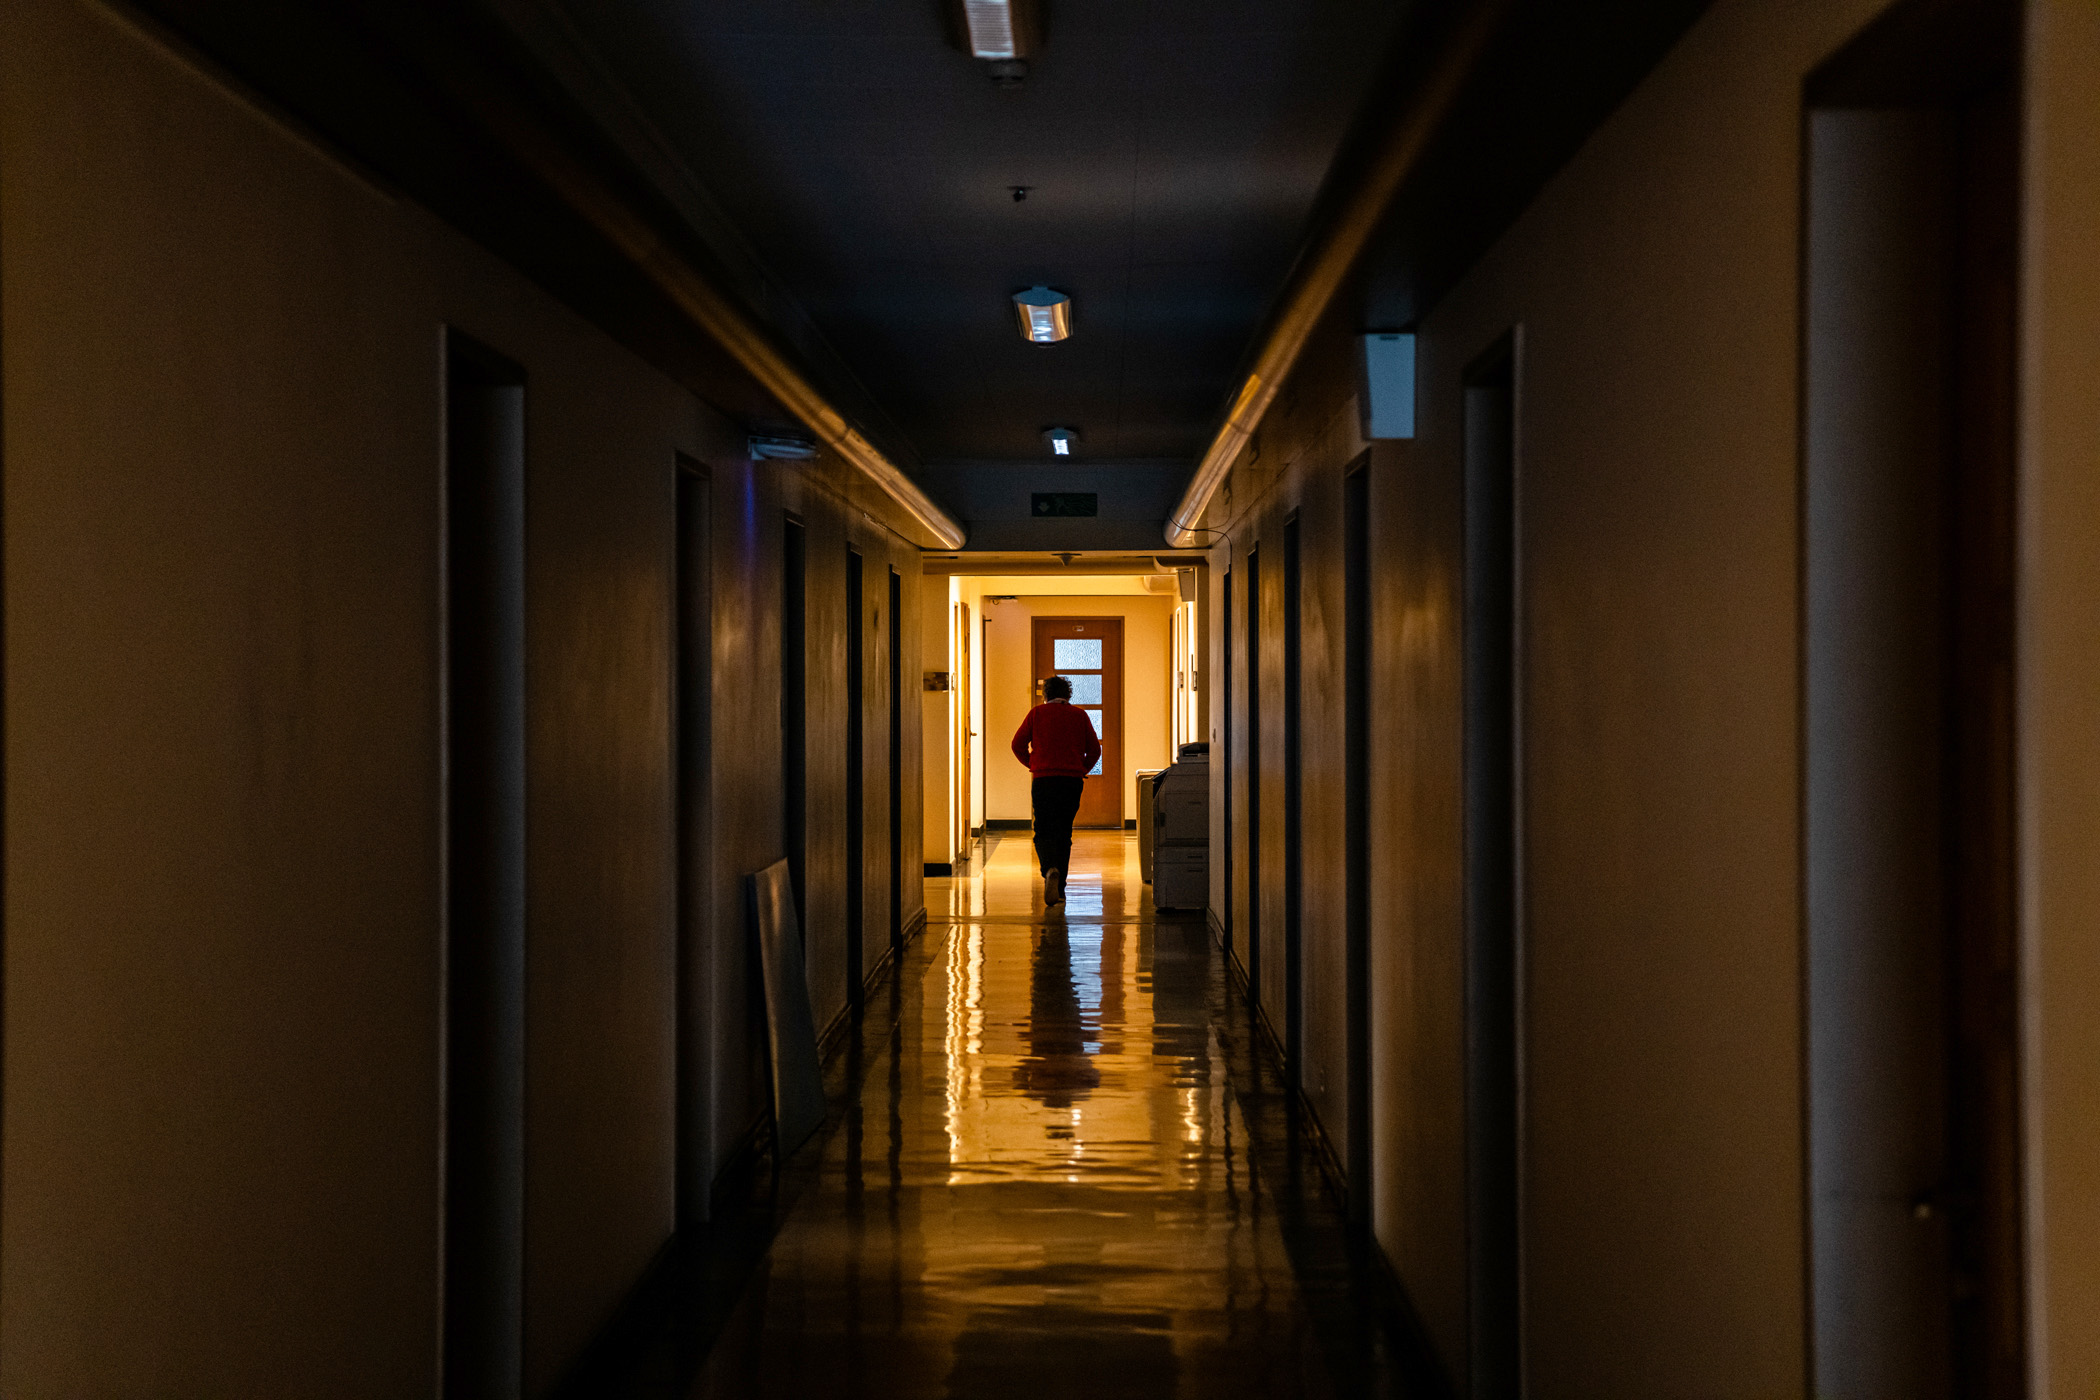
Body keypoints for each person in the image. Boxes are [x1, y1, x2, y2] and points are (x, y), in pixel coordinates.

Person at [1010, 675, 1101, 906]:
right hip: (1071, 781)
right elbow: (1094, 749)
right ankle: (1060, 891)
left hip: (1044, 779)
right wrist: (1081, 769)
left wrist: (1032, 763)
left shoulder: (1037, 714)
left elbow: (1017, 744)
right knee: (1063, 832)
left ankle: (1049, 869)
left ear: (1045, 695)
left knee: (1042, 829)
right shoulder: (1079, 715)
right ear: (1068, 695)